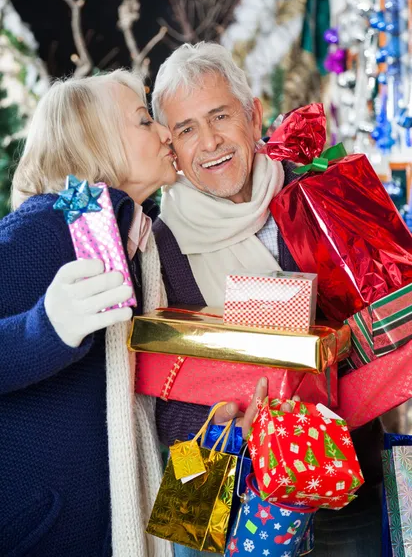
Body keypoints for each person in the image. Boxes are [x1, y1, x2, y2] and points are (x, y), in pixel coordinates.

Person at [151, 42, 383, 557]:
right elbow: (155, 395)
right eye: (186, 129)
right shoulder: (157, 245)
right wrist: (229, 418)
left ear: (253, 114)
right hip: (222, 492)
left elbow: (383, 314)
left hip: (344, 478)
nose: (209, 141)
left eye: (220, 115)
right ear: (171, 147)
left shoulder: (317, 194)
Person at [0, 70, 176, 557]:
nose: (165, 133)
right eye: (145, 121)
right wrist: (43, 329)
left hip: (103, 525)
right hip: (38, 533)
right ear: (93, 140)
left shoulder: (135, 240)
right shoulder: (38, 232)